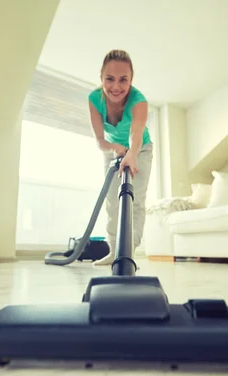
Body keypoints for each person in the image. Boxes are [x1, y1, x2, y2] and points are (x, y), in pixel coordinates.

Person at [87, 49, 154, 266]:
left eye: (123, 80)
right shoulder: (94, 99)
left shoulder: (139, 100)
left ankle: (128, 254)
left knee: (135, 200)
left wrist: (132, 154)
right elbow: (100, 141)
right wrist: (116, 148)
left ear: (131, 80)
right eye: (110, 79)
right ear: (101, 78)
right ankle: (113, 250)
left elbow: (137, 132)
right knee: (111, 201)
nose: (116, 86)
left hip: (140, 149)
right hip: (113, 150)